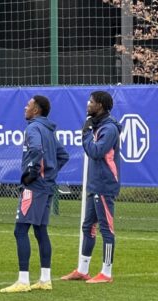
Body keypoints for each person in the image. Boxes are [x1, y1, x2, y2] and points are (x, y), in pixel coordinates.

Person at [0, 95, 69, 293]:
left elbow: (37, 150)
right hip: (46, 186)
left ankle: (23, 281)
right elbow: (63, 155)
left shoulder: (33, 128)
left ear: (36, 110)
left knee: (20, 230)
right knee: (40, 231)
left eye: (28, 105)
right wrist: (49, 173)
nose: (25, 107)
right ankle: (45, 280)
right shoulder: (48, 129)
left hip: (35, 187)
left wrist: (32, 173)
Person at [61, 90, 121, 284]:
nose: (88, 104)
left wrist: (86, 134)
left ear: (100, 106)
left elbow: (96, 151)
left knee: (106, 229)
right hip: (94, 184)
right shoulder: (97, 125)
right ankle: (83, 269)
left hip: (104, 184)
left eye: (91, 102)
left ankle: (106, 272)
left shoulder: (109, 129)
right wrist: (88, 131)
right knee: (88, 226)